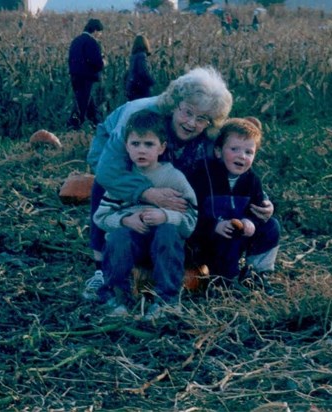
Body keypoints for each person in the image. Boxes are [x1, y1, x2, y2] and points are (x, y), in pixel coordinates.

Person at [82, 66, 274, 299]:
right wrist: (147, 192)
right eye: (188, 112)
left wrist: (261, 198)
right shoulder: (139, 118)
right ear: (174, 104)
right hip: (116, 150)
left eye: (202, 118)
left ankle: (166, 253)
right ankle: (100, 269)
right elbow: (108, 170)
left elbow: (233, 164)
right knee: (108, 186)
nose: (192, 123)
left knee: (181, 184)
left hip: (165, 165)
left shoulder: (208, 134)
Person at [93, 109, 197, 319]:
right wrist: (124, 220)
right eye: (135, 144)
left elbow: (190, 219)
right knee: (118, 235)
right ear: (126, 147)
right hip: (132, 246)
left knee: (168, 231)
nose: (142, 150)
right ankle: (117, 295)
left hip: (163, 247)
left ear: (162, 147)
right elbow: (101, 217)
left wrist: (166, 216)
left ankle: (166, 300)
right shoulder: (121, 179)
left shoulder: (173, 178)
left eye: (149, 144)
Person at [188, 118, 281, 295]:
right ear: (218, 152)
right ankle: (225, 282)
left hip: (236, 234)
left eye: (249, 152)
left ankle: (257, 274)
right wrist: (214, 226)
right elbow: (190, 213)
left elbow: (258, 207)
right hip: (207, 241)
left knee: (271, 226)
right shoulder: (203, 176)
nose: (242, 156)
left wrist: (250, 221)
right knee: (227, 236)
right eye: (234, 149)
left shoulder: (251, 179)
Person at [67, 18, 104, 130]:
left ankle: (96, 123)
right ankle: (74, 125)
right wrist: (103, 62)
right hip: (87, 77)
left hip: (75, 76)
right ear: (95, 30)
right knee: (83, 103)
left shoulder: (76, 40)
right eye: (100, 32)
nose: (100, 35)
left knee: (86, 101)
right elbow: (96, 62)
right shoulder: (91, 42)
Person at [125, 34, 155, 101]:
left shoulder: (133, 57)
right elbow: (143, 71)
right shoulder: (142, 56)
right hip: (141, 88)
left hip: (132, 88)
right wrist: (152, 82)